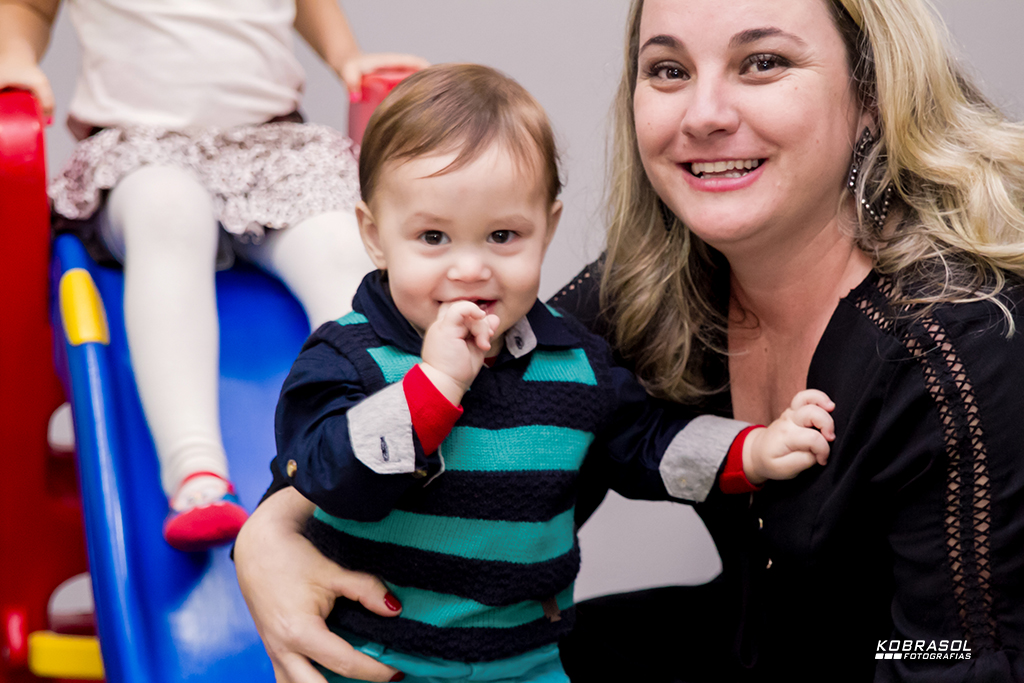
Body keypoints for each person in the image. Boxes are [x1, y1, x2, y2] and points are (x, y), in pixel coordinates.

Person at [235, 0, 1024, 681]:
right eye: (669, 71)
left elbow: (952, 651)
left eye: (762, 62)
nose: (703, 113)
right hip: (745, 646)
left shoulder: (957, 349)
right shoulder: (650, 289)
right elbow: (487, 456)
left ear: (872, 93)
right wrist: (267, 534)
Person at [273, 63, 836, 683]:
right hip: (373, 658)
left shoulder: (574, 362)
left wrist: (750, 450)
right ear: (376, 238)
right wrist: (433, 387)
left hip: (526, 663)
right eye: (433, 237)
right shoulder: (347, 357)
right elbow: (326, 474)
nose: (469, 268)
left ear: (548, 229)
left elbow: (647, 441)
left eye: (502, 236)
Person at [0, 0, 427, 551]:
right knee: (169, 213)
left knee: (344, 245)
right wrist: (15, 53)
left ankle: (377, 451)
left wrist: (346, 56)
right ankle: (195, 469)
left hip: (269, 146)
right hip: (141, 149)